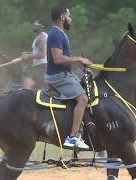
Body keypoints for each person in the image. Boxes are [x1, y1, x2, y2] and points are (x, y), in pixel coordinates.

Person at [45, 6, 93, 150]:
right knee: (83, 99)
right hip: (58, 76)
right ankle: (72, 137)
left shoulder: (59, 33)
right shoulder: (55, 34)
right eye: (69, 16)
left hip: (64, 74)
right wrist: (79, 60)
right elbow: (58, 59)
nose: (70, 19)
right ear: (62, 17)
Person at [21, 20, 48, 89]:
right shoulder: (41, 37)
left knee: (27, 84)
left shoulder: (42, 37)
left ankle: (27, 99)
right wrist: (28, 54)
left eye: (35, 24)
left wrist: (28, 56)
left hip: (42, 67)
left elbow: (42, 54)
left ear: (41, 26)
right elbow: (39, 52)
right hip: (40, 67)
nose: (33, 25)